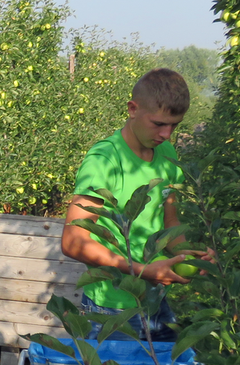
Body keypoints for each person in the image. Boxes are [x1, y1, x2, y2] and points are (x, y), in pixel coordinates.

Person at [61, 68, 213, 343]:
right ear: (132, 109)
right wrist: (142, 270)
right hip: (111, 307)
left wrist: (187, 255)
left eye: (174, 125)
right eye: (158, 124)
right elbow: (73, 241)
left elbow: (170, 223)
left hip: (155, 301)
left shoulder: (166, 153)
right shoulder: (104, 160)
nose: (167, 134)